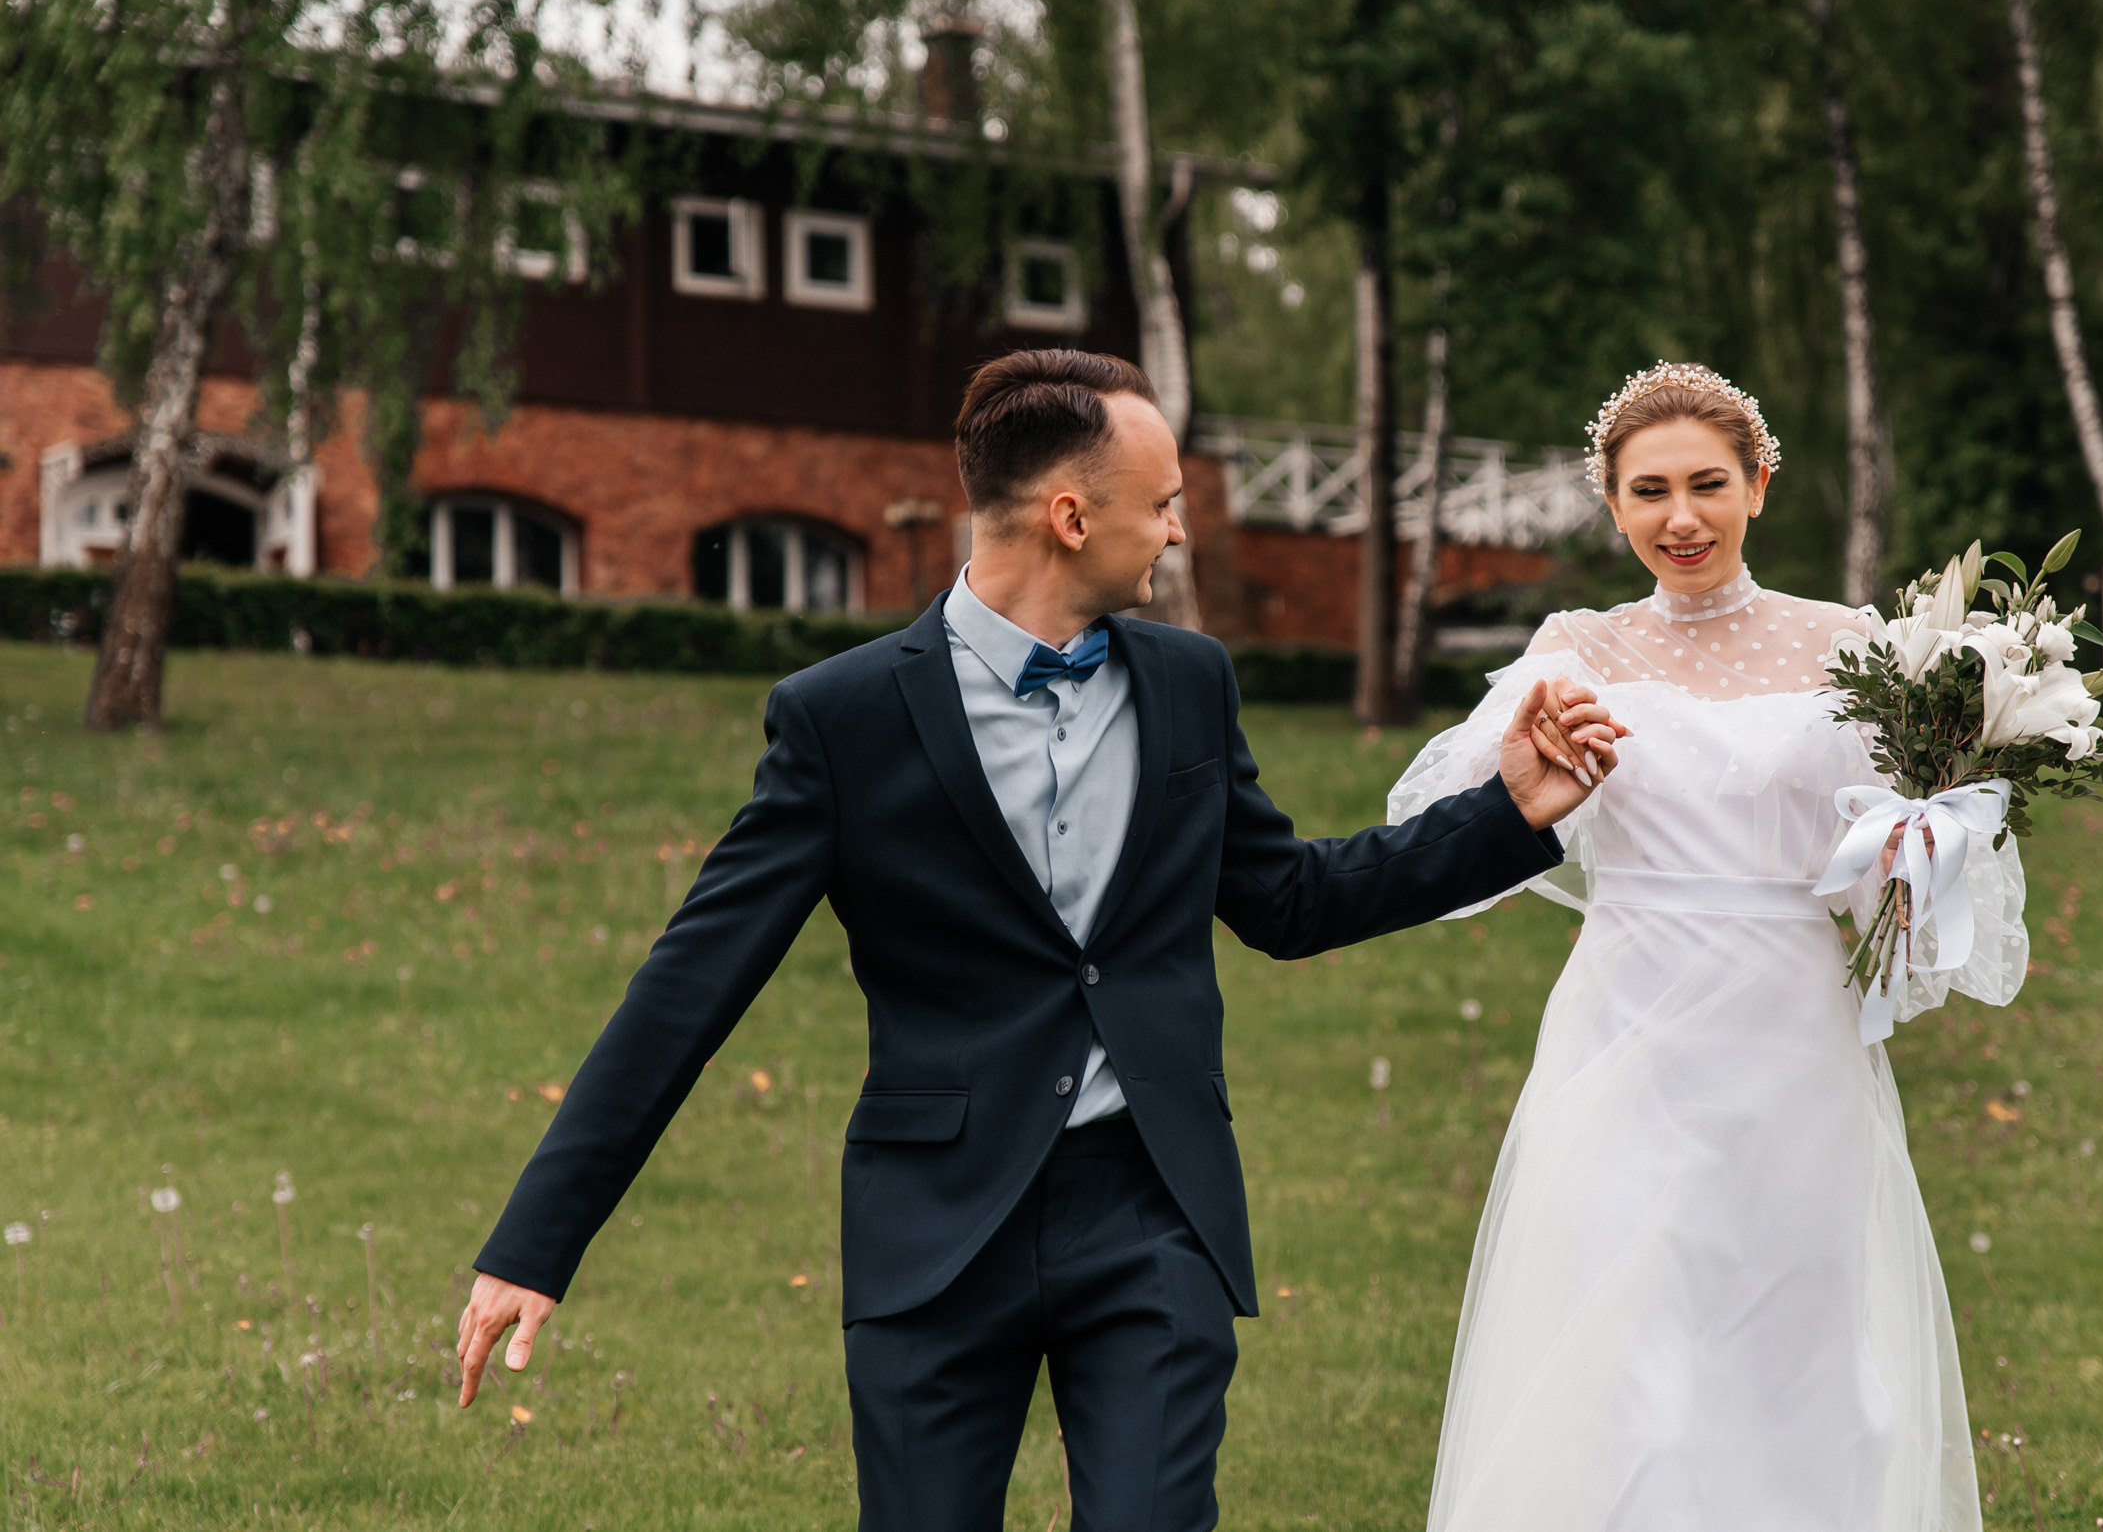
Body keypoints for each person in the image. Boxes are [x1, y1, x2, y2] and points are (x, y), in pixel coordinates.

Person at [454, 348, 1622, 1531]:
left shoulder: (1189, 684)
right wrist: (536, 1243)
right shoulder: (843, 719)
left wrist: (1507, 812)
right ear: (1072, 516)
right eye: (1161, 506)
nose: (1176, 533)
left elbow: (1288, 902)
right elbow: (690, 985)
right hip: (936, 1230)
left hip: (1151, 1209)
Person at [1392, 363, 2027, 1530]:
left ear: (1759, 486)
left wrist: (1922, 841)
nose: (1679, 517)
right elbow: (1450, 819)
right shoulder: (1576, 647)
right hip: (1628, 1015)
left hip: (1791, 1023)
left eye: (1706, 485)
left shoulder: (1854, 645)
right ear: (1614, 504)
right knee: (1630, 1325)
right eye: (1647, 492)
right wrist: (1532, 756)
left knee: (1801, 1315)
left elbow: (1905, 847)